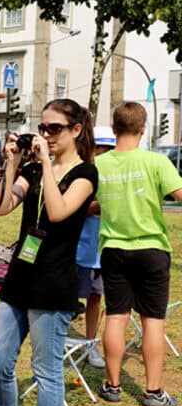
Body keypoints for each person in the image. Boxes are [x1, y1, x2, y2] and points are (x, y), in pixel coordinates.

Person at [0, 98, 97, 406]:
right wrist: (11, 163)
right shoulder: (35, 169)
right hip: (19, 276)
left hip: (54, 284)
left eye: (54, 128)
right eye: (43, 128)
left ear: (75, 130)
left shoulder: (86, 174)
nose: (47, 135)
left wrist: (46, 167)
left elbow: (57, 212)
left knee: (46, 369)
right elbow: (2, 206)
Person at [95, 102, 182, 406]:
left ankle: (113, 385)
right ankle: (153, 392)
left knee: (117, 316)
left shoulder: (100, 165)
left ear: (114, 127)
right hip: (152, 249)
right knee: (153, 321)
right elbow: (179, 194)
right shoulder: (156, 162)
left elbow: (92, 205)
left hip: (113, 249)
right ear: (143, 129)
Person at [74, 126, 116, 369]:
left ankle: (91, 344)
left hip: (103, 249)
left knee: (95, 298)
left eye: (108, 148)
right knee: (69, 298)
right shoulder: (84, 173)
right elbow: (81, 207)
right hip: (79, 249)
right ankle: (59, 345)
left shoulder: (112, 174)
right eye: (100, 147)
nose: (103, 153)